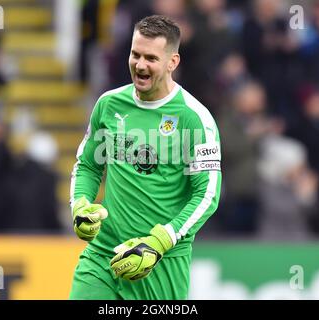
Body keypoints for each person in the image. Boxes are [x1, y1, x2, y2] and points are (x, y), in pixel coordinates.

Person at [69, 15, 222, 300]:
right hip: (103, 254)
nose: (140, 65)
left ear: (172, 62)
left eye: (151, 58)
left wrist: (160, 241)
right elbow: (88, 165)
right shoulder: (109, 104)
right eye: (135, 54)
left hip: (160, 263)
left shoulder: (194, 118)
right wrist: (80, 204)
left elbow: (207, 195)